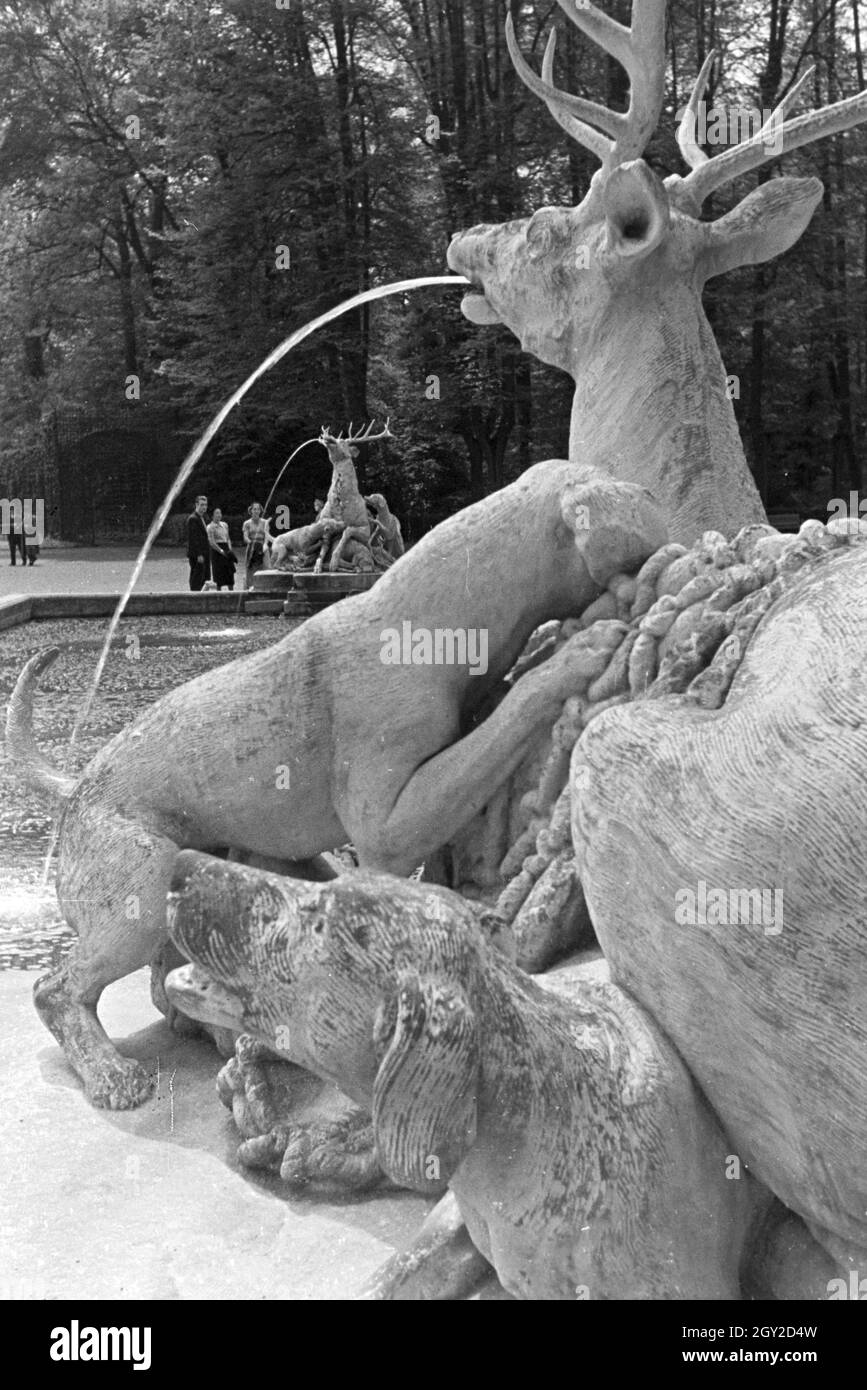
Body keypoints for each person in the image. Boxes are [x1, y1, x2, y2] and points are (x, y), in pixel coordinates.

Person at [242, 502, 271, 590]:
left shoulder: (265, 522)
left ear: (260, 511)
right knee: (250, 568)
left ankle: (265, 587)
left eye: (258, 509)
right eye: (254, 509)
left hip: (262, 547)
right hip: (252, 547)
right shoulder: (247, 523)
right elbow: (245, 536)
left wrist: (265, 545)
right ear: (251, 510)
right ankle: (249, 587)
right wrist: (250, 543)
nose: (256, 511)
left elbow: (267, 536)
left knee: (266, 567)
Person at [206, 507, 237, 591]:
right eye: (216, 513)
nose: (219, 515)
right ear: (212, 515)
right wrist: (221, 551)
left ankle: (232, 593)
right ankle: (219, 594)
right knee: (218, 576)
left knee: (229, 574)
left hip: (226, 548)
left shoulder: (225, 525)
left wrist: (229, 549)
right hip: (217, 551)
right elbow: (212, 542)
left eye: (220, 513)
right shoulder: (210, 527)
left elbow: (228, 538)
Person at [187, 495, 210, 591]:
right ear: (196, 505)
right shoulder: (193, 519)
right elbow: (194, 539)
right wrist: (199, 554)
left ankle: (203, 597)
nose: (204, 507)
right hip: (197, 555)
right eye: (201, 505)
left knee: (205, 577)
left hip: (206, 552)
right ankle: (194, 596)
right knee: (196, 577)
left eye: (205, 505)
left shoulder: (204, 518)